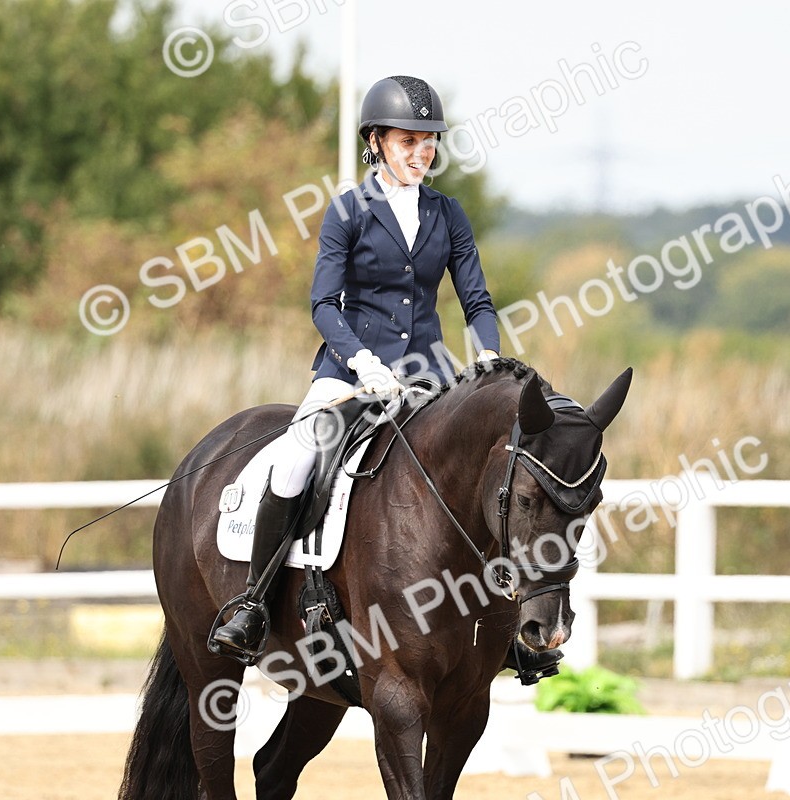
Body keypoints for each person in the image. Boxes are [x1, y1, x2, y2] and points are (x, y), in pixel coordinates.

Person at [211, 75, 562, 681]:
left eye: (430, 141)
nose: (422, 151)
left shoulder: (447, 214)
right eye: (409, 139)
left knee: (485, 472)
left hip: (430, 375)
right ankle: (254, 604)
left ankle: (498, 627)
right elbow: (323, 303)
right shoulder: (348, 210)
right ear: (376, 141)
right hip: (350, 374)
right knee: (297, 458)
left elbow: (476, 302)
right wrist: (361, 360)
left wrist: (485, 357)